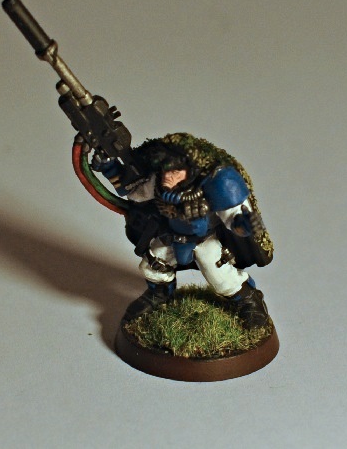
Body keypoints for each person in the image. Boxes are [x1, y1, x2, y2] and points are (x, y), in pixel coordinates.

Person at [93, 133, 272, 329]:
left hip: (204, 240)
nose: (168, 176)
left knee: (221, 277)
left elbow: (233, 216)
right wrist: (109, 167)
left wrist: (245, 224)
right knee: (153, 265)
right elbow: (134, 192)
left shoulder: (211, 185)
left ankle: (249, 301)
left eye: (175, 171)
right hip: (170, 236)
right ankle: (159, 294)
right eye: (165, 170)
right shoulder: (158, 183)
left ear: (190, 169)